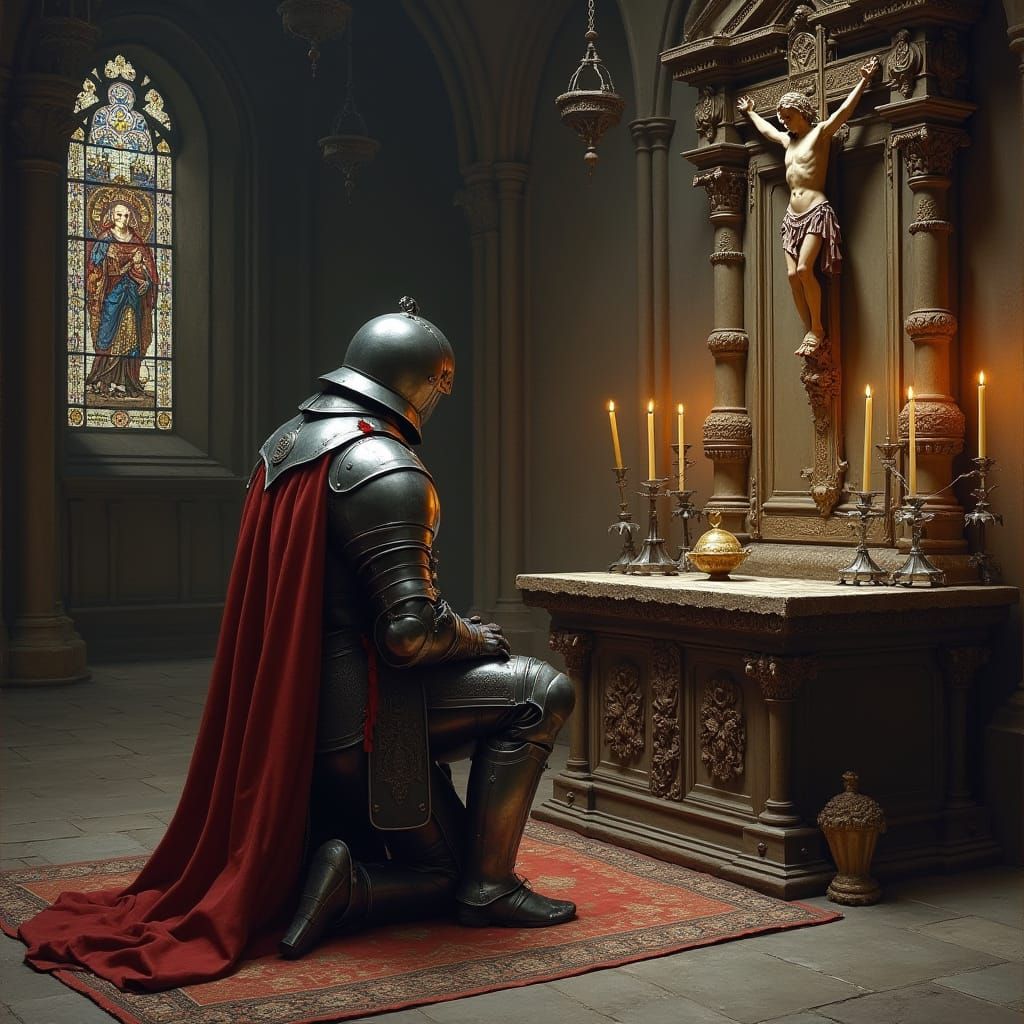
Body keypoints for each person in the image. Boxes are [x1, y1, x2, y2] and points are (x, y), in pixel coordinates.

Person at [19, 298, 574, 992]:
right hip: (366, 721)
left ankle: (361, 872)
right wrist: (470, 636)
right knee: (543, 691)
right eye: (438, 388)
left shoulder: (288, 443)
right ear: (425, 384)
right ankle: (447, 890)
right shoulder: (386, 464)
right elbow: (408, 635)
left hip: (298, 715)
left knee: (444, 852)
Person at [737, 56, 878, 356]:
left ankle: (818, 327)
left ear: (801, 113)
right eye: (783, 119)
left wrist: (863, 81)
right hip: (792, 217)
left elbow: (843, 112)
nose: (784, 123)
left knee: (804, 269)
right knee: (792, 276)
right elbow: (767, 132)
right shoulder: (788, 143)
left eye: (788, 117)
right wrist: (750, 113)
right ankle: (809, 331)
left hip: (815, 211)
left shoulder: (820, 134)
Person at [84, 200, 158, 399]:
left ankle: (127, 381)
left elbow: (148, 271)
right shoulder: (105, 239)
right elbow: (94, 267)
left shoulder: (137, 241)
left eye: (126, 215)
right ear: (111, 216)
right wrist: (106, 257)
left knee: (131, 335)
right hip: (111, 295)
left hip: (132, 297)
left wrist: (143, 277)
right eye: (118, 215)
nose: (122, 219)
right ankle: (102, 379)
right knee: (107, 333)